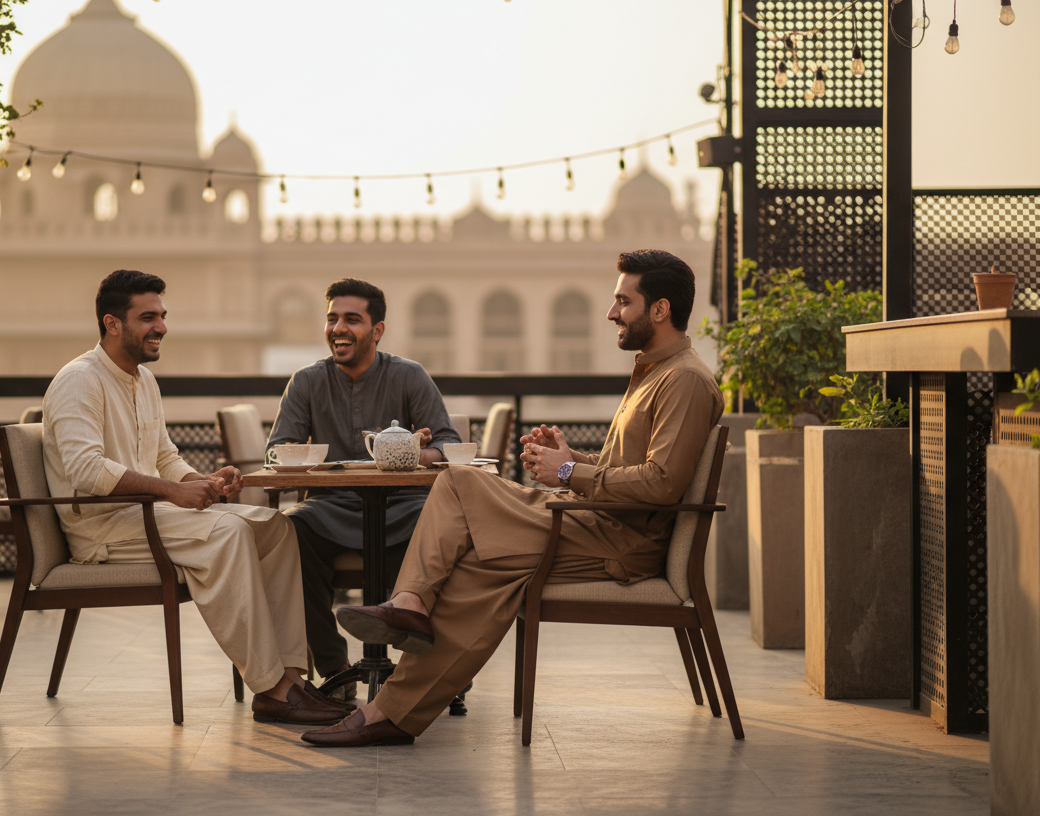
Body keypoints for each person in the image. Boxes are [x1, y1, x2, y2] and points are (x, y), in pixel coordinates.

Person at [301, 249, 725, 746]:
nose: (611, 312)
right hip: (594, 520)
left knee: (459, 482)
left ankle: (408, 613)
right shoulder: (655, 373)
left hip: (617, 540)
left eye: (622, 301)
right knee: (473, 562)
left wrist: (567, 471)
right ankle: (390, 709)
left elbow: (662, 485)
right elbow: (634, 470)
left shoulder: (685, 381)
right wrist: (572, 459)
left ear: (660, 310)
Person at [41, 269, 349, 726]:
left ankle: (290, 677)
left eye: (162, 316)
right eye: (148, 317)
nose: (161, 327)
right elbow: (86, 471)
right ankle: (269, 687)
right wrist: (174, 492)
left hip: (149, 515)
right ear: (112, 323)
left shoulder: (143, 380)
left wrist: (202, 482)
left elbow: (164, 457)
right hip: (103, 528)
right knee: (228, 533)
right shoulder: (79, 381)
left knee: (277, 528)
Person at [267, 278, 460, 700]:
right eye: (333, 318)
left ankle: (422, 673)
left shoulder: (409, 376)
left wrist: (414, 451)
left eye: (352, 320)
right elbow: (277, 451)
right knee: (289, 530)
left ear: (377, 330)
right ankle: (335, 668)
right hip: (329, 508)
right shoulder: (306, 382)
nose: (339, 328)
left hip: (403, 507)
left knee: (444, 528)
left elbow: (448, 444)